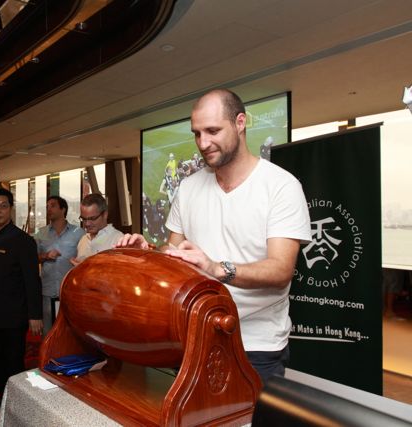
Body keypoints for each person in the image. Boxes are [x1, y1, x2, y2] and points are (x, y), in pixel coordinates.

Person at [117, 89, 311, 384]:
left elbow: (281, 270)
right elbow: (173, 253)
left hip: (255, 346)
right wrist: (148, 253)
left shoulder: (281, 186)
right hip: (192, 336)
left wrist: (216, 268)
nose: (203, 143)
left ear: (240, 122)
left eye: (212, 131)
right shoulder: (188, 187)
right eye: (197, 133)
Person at [0, 187, 42, 412]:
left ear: (11, 209)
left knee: (13, 361)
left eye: (3, 206)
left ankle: (17, 403)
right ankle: (3, 396)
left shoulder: (23, 241)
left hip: (14, 315)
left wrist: (35, 315)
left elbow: (32, 280)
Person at [34, 196, 84, 332]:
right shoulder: (41, 233)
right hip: (47, 292)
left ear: (63, 209)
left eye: (53, 205)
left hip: (70, 293)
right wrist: (45, 256)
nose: (49, 209)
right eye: (47, 206)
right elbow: (32, 259)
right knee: (48, 333)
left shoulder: (79, 233)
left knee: (70, 333)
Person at [71, 193, 124, 265]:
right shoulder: (83, 239)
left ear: (105, 215)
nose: (87, 224)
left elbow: (122, 271)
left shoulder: (119, 240)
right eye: (84, 219)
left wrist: (86, 268)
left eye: (92, 218)